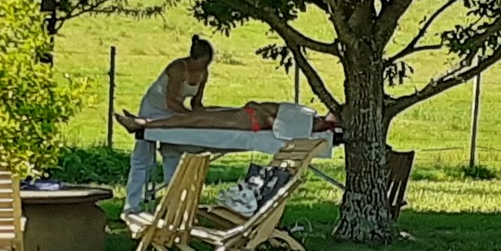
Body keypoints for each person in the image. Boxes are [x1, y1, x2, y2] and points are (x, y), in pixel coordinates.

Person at [123, 35, 214, 215]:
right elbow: (170, 101)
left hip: (174, 113)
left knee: (172, 153)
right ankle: (131, 206)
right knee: (143, 158)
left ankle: (172, 206)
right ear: (192, 59)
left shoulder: (203, 73)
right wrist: (189, 117)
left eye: (207, 64)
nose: (203, 68)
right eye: (201, 63)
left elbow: (196, 103)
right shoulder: (178, 69)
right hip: (154, 109)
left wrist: (205, 117)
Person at [116, 101, 340, 134]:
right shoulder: (314, 118)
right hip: (248, 114)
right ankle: (142, 120)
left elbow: (279, 124)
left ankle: (139, 125)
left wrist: (260, 110)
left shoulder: (317, 124)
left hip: (247, 121)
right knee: (198, 114)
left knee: (193, 120)